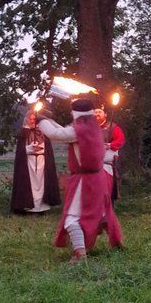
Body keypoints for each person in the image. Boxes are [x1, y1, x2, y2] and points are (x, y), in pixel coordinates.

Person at [37, 98, 123, 264]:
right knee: (101, 213)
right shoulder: (93, 128)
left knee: (71, 218)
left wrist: (41, 121)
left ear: (75, 113)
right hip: (98, 178)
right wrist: (48, 120)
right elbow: (66, 132)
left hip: (85, 181)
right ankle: (116, 241)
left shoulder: (80, 130)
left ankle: (80, 255)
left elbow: (57, 134)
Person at [10, 108, 61, 214]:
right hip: (29, 162)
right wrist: (29, 149)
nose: (33, 121)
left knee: (42, 184)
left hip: (42, 161)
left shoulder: (43, 132)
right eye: (31, 119)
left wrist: (40, 148)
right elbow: (20, 151)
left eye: (34, 119)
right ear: (27, 119)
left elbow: (47, 147)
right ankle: (29, 207)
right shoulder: (23, 133)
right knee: (30, 184)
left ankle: (41, 207)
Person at [94, 103, 125, 202]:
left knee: (107, 191)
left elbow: (120, 140)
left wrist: (109, 145)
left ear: (105, 114)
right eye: (95, 112)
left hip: (106, 165)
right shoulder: (89, 128)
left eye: (99, 112)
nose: (97, 114)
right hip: (92, 165)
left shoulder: (112, 127)